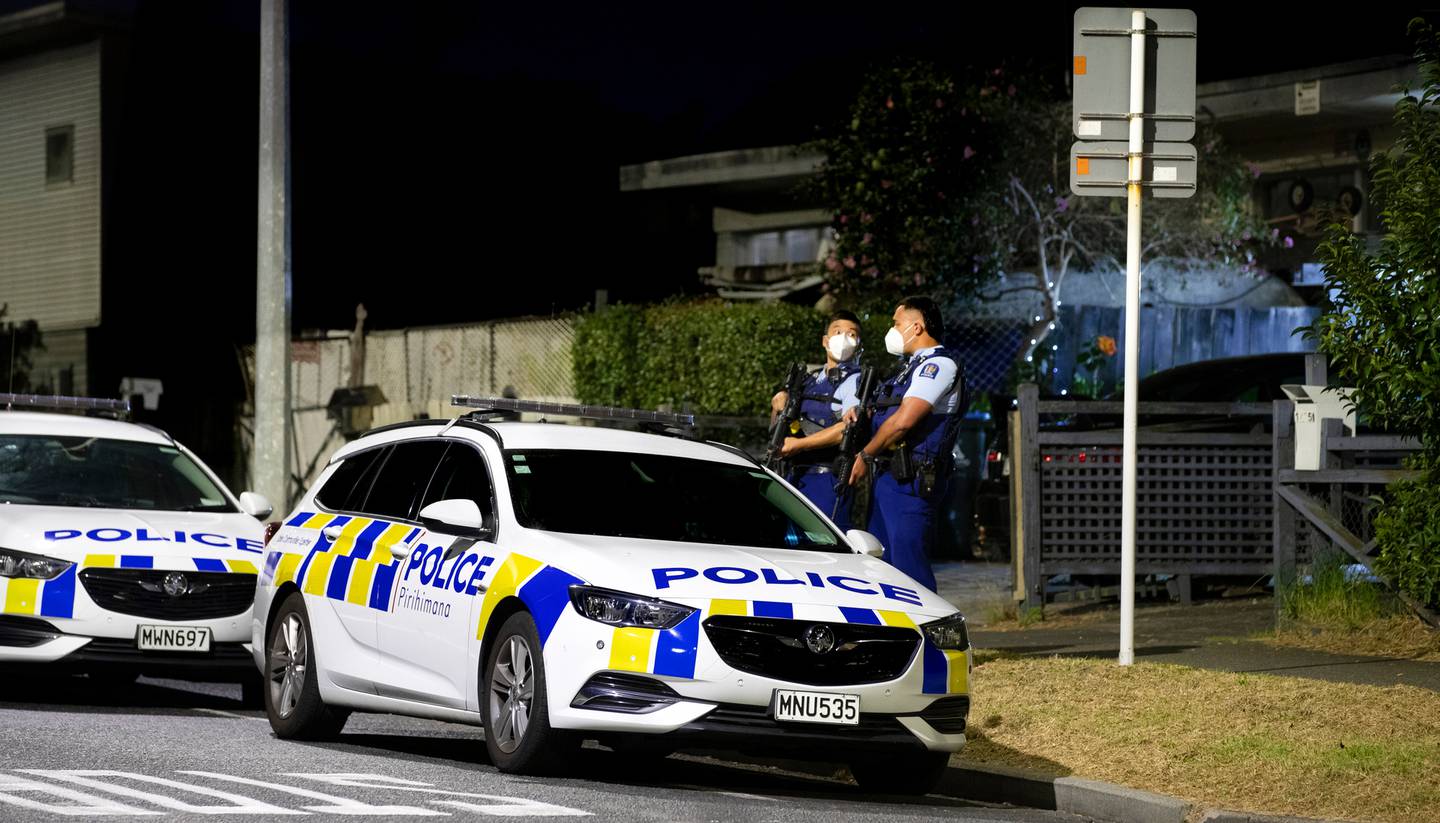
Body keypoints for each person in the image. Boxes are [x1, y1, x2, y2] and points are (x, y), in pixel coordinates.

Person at [845, 296, 964, 591]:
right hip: (889, 478)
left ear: (917, 326)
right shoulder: (907, 369)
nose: (893, 330)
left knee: (910, 572)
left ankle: (931, 637)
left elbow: (903, 422)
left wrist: (866, 454)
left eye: (897, 324)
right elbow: (887, 413)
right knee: (882, 569)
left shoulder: (938, 366)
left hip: (912, 480)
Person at [770, 310, 864, 529]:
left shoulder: (854, 380)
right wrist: (780, 403)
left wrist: (800, 445)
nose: (844, 338)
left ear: (859, 344)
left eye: (852, 334)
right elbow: (779, 427)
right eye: (838, 331)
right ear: (825, 340)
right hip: (795, 475)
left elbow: (848, 428)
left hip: (827, 477)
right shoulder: (808, 380)